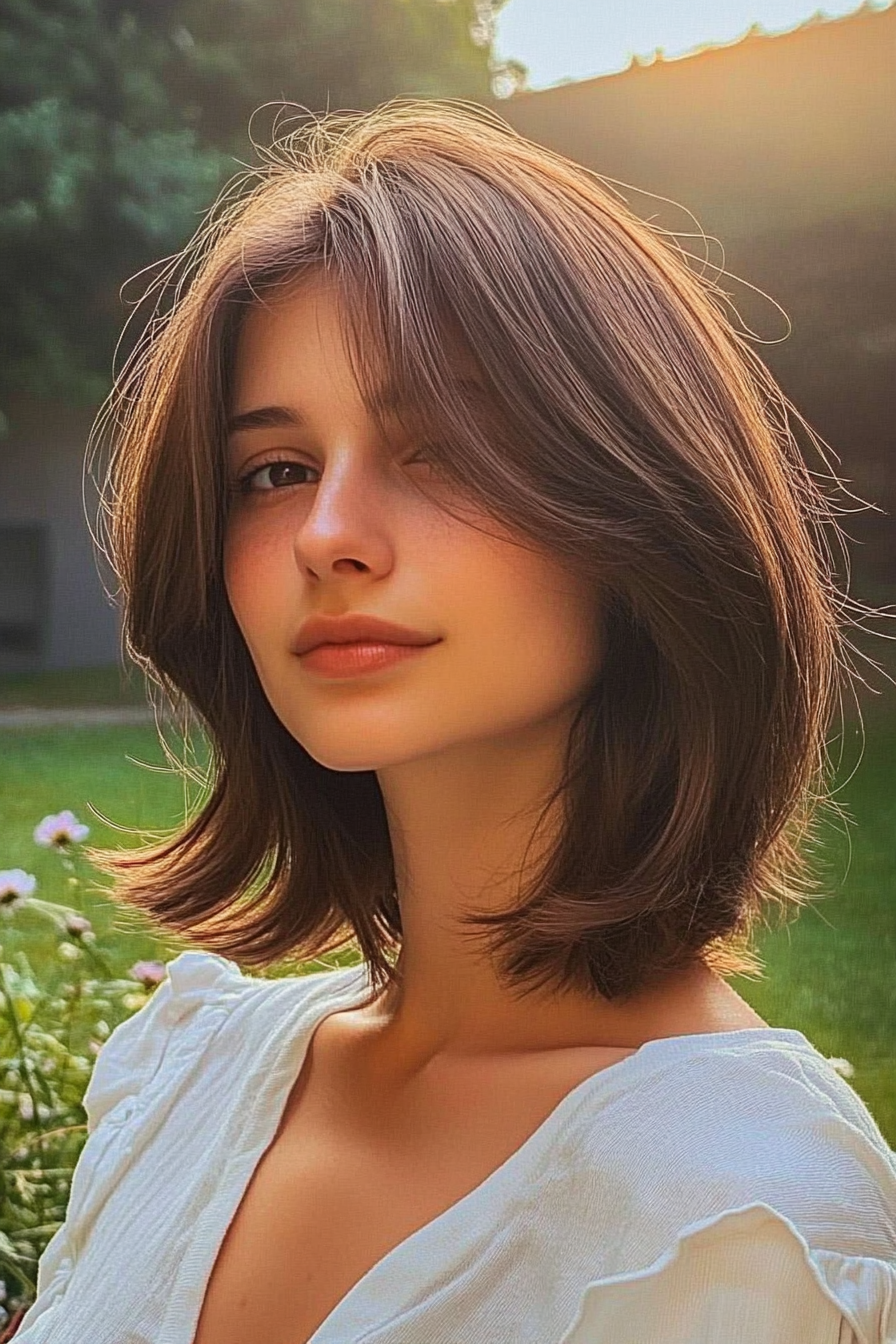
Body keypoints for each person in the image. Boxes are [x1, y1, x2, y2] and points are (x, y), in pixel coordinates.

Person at [12, 99, 895, 1344]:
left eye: (444, 449)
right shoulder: (185, 1072)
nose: (326, 534)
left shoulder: (739, 1218)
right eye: (275, 470)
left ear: (640, 503)